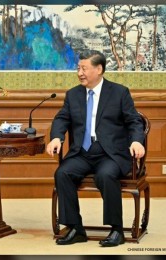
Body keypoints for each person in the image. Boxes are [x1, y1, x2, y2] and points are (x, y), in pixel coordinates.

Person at [46, 50, 146, 247]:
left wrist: (136, 141)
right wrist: (57, 137)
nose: (79, 73)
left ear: (99, 69)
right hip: (82, 153)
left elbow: (134, 121)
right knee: (63, 173)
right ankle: (75, 228)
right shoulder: (73, 94)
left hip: (110, 154)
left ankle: (117, 230)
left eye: (84, 68)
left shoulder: (119, 92)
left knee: (105, 175)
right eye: (78, 68)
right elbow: (62, 118)